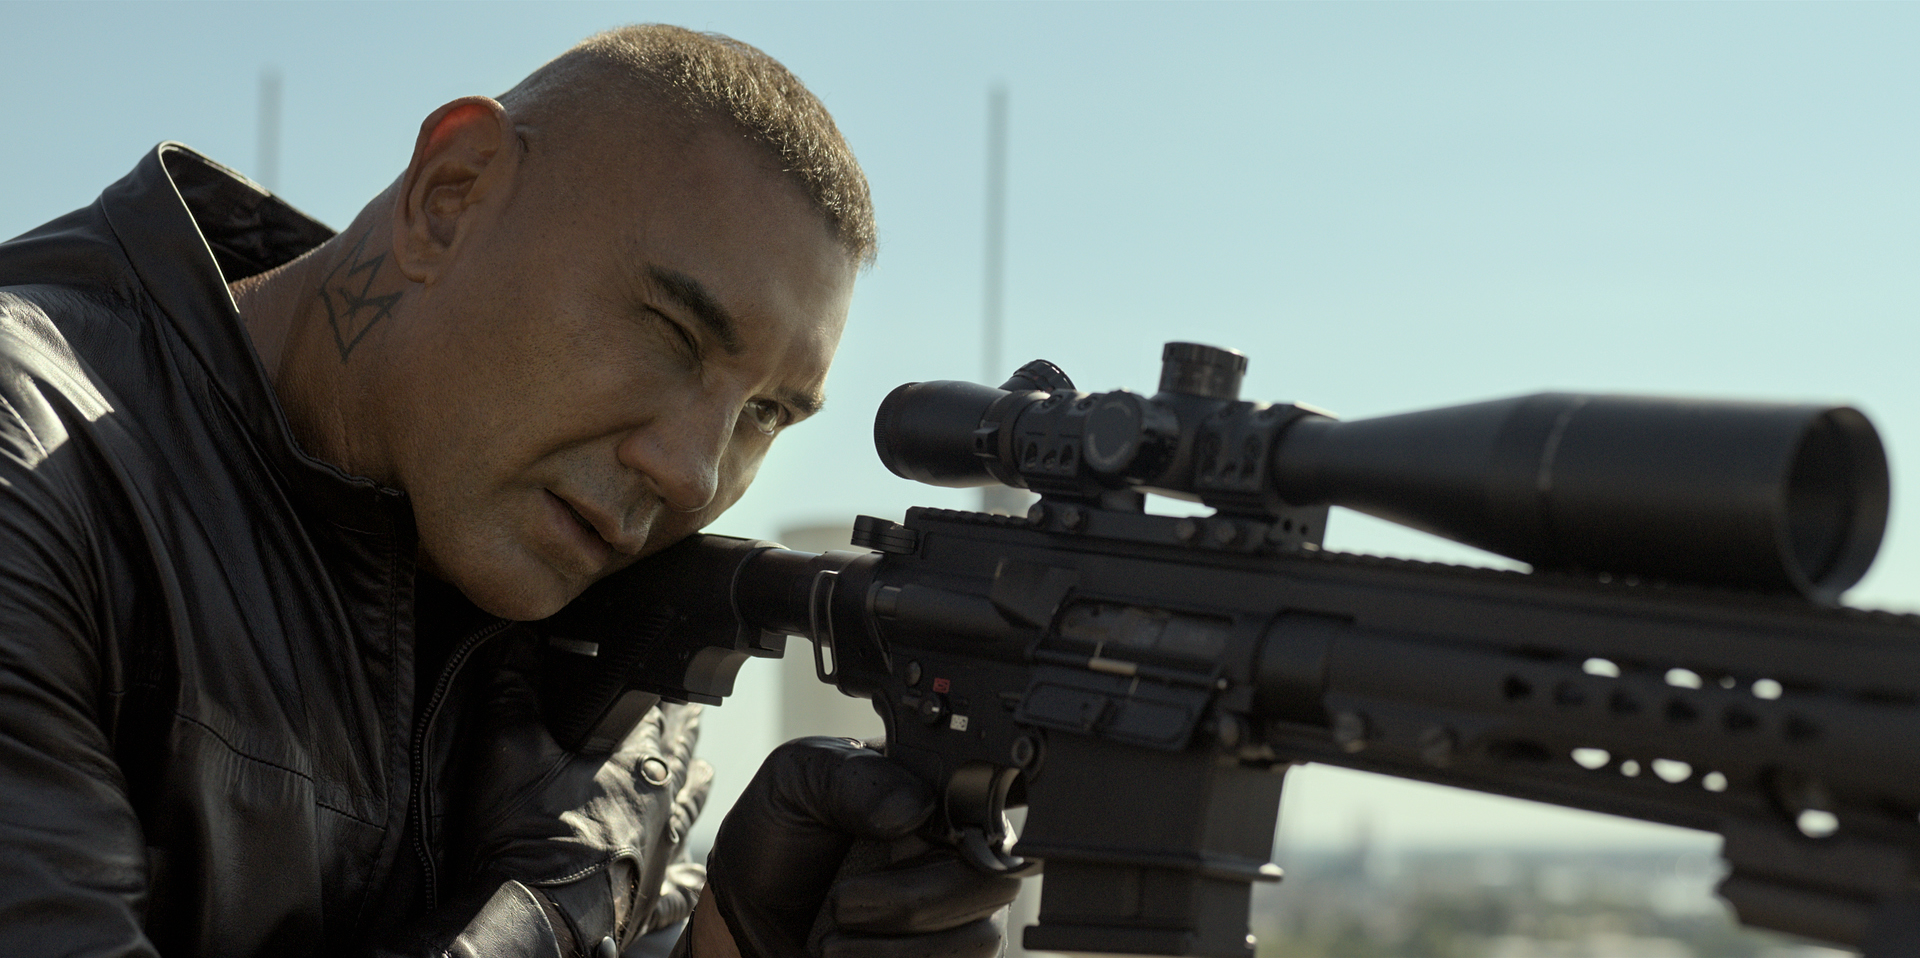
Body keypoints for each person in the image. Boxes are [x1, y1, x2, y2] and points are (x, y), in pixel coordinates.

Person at [0, 24, 1019, 958]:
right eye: (669, 333)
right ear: (450, 196)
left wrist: (725, 943)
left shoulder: (576, 623)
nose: (694, 472)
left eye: (764, 414)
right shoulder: (31, 450)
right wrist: (552, 913)